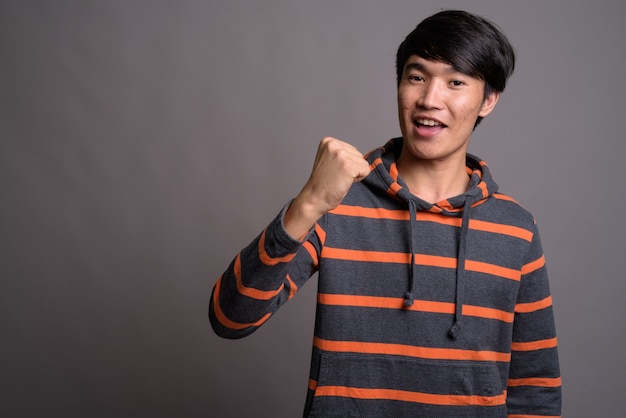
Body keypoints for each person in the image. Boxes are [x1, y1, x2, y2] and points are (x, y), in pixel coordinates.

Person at [210, 9, 561, 417]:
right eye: (417, 77)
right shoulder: (337, 202)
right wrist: (309, 202)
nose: (430, 99)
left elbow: (535, 392)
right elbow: (230, 318)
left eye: (455, 82)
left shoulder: (515, 229)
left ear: (488, 100)